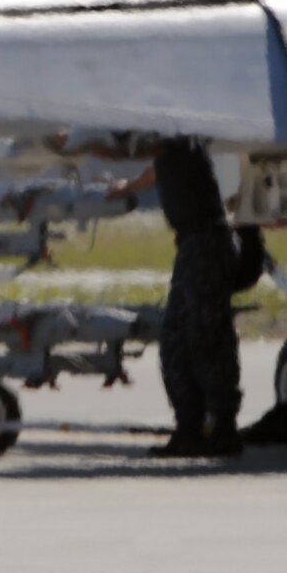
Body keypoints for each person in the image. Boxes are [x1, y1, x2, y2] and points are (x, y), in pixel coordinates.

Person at [109, 137, 261, 459]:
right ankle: (189, 429)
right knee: (175, 341)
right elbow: (156, 167)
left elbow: (148, 150)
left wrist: (85, 145)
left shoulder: (178, 137)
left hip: (207, 245)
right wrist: (129, 187)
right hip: (192, 247)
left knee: (207, 338)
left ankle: (222, 428)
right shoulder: (170, 145)